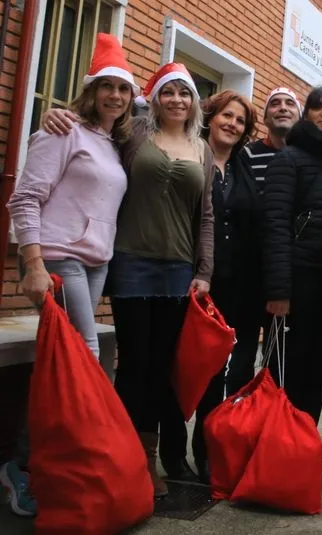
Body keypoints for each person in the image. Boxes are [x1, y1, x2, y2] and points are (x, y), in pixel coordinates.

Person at [39, 62, 215, 496]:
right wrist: (58, 115)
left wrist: (204, 272)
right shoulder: (132, 133)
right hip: (131, 261)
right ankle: (121, 458)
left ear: (194, 103)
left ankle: (146, 458)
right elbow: (91, 131)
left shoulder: (202, 149)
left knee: (160, 366)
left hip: (178, 269)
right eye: (169, 92)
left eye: (185, 93)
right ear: (155, 99)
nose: (177, 100)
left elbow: (206, 215)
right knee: (134, 363)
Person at [0, 33, 136, 518]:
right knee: (84, 358)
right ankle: (29, 466)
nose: (115, 96)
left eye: (123, 88)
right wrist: (33, 263)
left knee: (62, 361)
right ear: (91, 90)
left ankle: (45, 463)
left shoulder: (113, 142)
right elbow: (24, 198)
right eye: (106, 86)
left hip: (96, 261)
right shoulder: (62, 131)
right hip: (58, 257)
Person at [263, 86, 322, 491]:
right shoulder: (290, 158)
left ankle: (303, 453)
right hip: (299, 281)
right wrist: (279, 291)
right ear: (307, 115)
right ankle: (273, 458)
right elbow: (275, 227)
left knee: (316, 369)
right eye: (317, 108)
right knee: (287, 371)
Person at [191, 90, 263, 484]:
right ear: (211, 116)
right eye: (227, 116)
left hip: (241, 284)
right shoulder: (192, 154)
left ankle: (217, 448)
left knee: (233, 370)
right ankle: (186, 450)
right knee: (201, 370)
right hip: (200, 282)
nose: (232, 124)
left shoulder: (242, 165)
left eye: (240, 120)